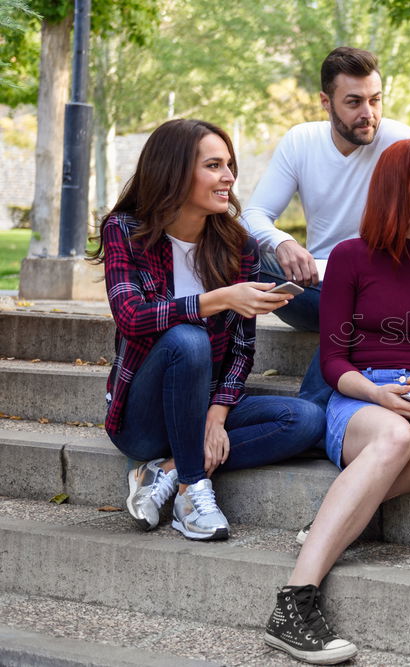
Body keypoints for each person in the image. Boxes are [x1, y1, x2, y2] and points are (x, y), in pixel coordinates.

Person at [263, 137, 410, 664]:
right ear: (396, 190)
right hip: (362, 399)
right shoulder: (349, 258)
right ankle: (294, 603)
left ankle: (335, 514)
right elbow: (333, 363)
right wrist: (376, 393)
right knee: (390, 436)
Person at [88, 119, 326, 541]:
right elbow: (131, 317)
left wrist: (216, 417)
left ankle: (169, 469)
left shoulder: (239, 246)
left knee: (305, 419)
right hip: (141, 420)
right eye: (214, 165)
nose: (229, 177)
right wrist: (219, 298)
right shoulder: (125, 230)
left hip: (203, 406)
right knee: (187, 338)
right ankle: (192, 490)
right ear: (175, 171)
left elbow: (241, 351)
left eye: (229, 165)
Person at [242, 46, 410, 407]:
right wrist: (281, 241)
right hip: (316, 287)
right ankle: (226, 376)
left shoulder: (400, 141)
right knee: (245, 253)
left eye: (376, 100)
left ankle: (312, 413)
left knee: (358, 307)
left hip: (382, 292)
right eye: (354, 102)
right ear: (326, 103)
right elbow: (253, 215)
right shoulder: (301, 142)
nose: (368, 114)